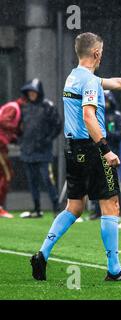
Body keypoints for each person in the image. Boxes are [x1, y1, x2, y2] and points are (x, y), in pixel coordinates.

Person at [30, 32, 121, 282]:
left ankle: (42, 254)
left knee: (74, 206)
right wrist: (106, 150)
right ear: (96, 53)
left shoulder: (74, 77)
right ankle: (114, 269)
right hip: (92, 149)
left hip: (72, 148)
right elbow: (88, 117)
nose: (102, 55)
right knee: (111, 205)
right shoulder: (90, 82)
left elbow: (114, 82)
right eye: (101, 52)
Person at [18, 79, 62, 218]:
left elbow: (58, 125)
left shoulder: (47, 106)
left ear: (39, 92)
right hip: (28, 150)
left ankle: (57, 208)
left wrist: (47, 139)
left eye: (34, 92)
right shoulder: (25, 107)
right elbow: (20, 127)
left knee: (47, 179)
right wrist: (20, 141)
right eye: (29, 92)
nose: (31, 94)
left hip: (43, 151)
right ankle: (37, 209)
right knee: (32, 181)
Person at [89, 90, 121, 221]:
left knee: (113, 184)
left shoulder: (116, 116)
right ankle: (97, 212)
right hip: (98, 154)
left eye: (107, 100)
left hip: (113, 153)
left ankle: (117, 212)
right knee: (97, 183)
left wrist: (108, 136)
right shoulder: (96, 116)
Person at [0, 98, 23, 218]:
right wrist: (17, 130)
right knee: (6, 174)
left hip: (2, 144)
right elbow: (3, 121)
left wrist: (14, 136)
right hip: (0, 144)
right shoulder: (14, 108)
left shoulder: (12, 106)